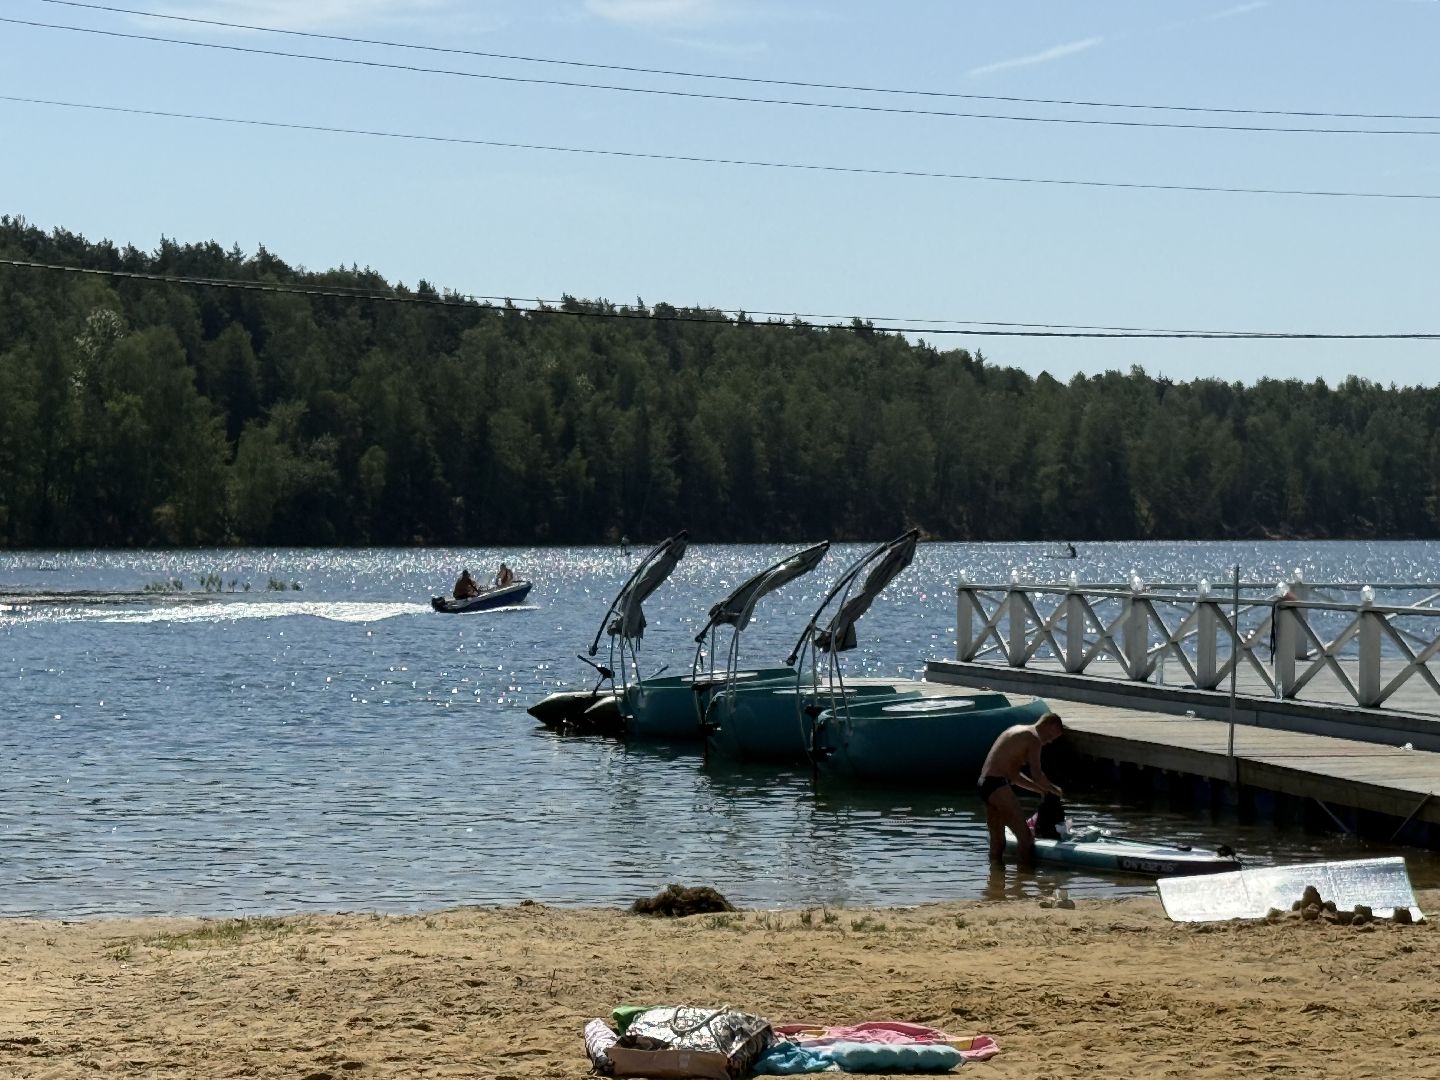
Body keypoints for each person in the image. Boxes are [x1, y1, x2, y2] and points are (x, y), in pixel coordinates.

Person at [977, 712, 1065, 865]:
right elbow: (1037, 774)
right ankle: (1024, 881)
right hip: (998, 785)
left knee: (998, 842)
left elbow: (1014, 776)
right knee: (1026, 838)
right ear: (1051, 725)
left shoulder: (1017, 730)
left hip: (984, 784)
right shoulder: (1034, 738)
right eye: (1052, 736)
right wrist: (1055, 790)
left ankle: (995, 883)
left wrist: (1041, 790)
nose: (1049, 741)